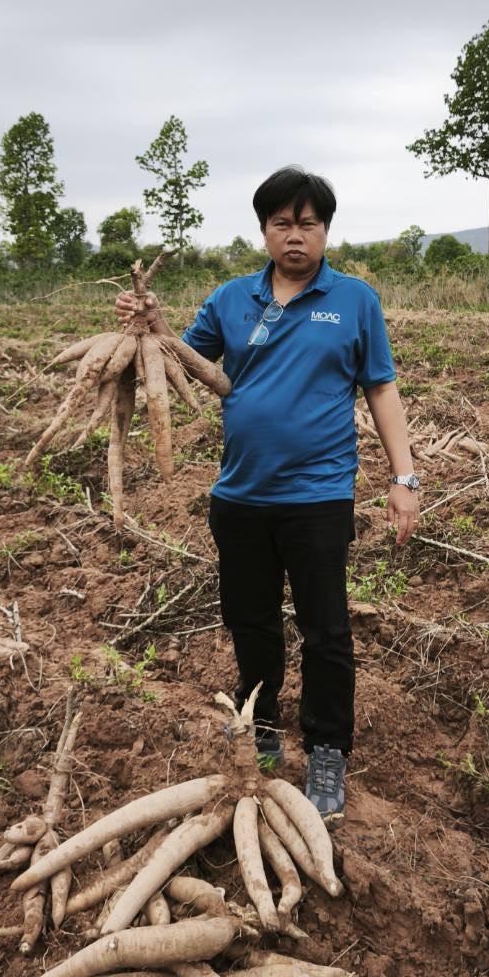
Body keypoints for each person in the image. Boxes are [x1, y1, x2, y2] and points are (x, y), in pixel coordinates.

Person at [115, 167, 419, 818]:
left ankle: (329, 748)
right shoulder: (230, 299)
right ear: (264, 229)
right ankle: (258, 729)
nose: (295, 234)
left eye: (308, 222)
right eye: (282, 221)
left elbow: (382, 389)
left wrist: (405, 477)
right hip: (242, 497)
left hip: (318, 497)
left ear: (325, 229)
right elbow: (181, 360)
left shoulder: (355, 300)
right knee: (250, 620)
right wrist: (147, 325)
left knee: (326, 629)